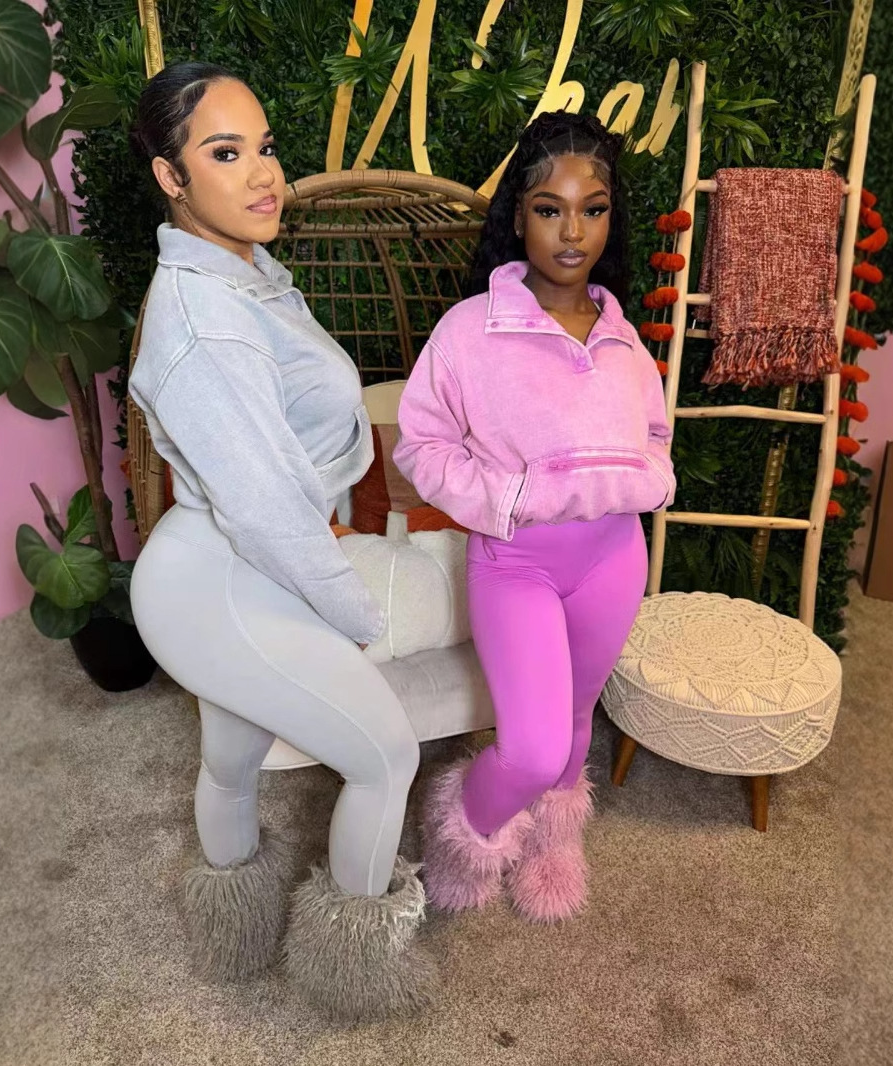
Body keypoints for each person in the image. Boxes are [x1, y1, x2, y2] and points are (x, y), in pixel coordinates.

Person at [127, 62, 437, 1022]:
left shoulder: (245, 272)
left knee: (233, 757)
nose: (264, 174)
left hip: (230, 562)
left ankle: (234, 934)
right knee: (385, 756)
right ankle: (352, 970)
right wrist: (350, 609)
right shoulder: (206, 320)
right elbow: (264, 510)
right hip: (220, 578)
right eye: (225, 153)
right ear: (171, 177)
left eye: (263, 147)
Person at [394, 111, 675, 923]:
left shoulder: (624, 338)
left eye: (594, 209)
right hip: (515, 561)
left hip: (613, 559)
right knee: (530, 747)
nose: (572, 231)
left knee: (577, 723)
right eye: (551, 208)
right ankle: (463, 836)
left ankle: (554, 842)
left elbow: (655, 436)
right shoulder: (469, 332)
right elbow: (420, 447)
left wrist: (652, 477)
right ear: (518, 215)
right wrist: (508, 498)